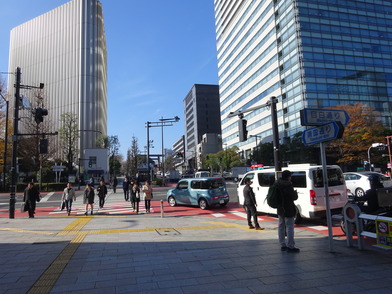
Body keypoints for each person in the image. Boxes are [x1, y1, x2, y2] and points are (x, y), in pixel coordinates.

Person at [276, 170, 299, 253]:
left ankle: (282, 244)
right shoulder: (288, 185)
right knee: (289, 227)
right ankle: (291, 246)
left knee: (281, 226)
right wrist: (295, 193)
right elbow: (293, 197)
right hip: (288, 208)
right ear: (288, 176)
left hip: (280, 208)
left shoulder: (277, 184)